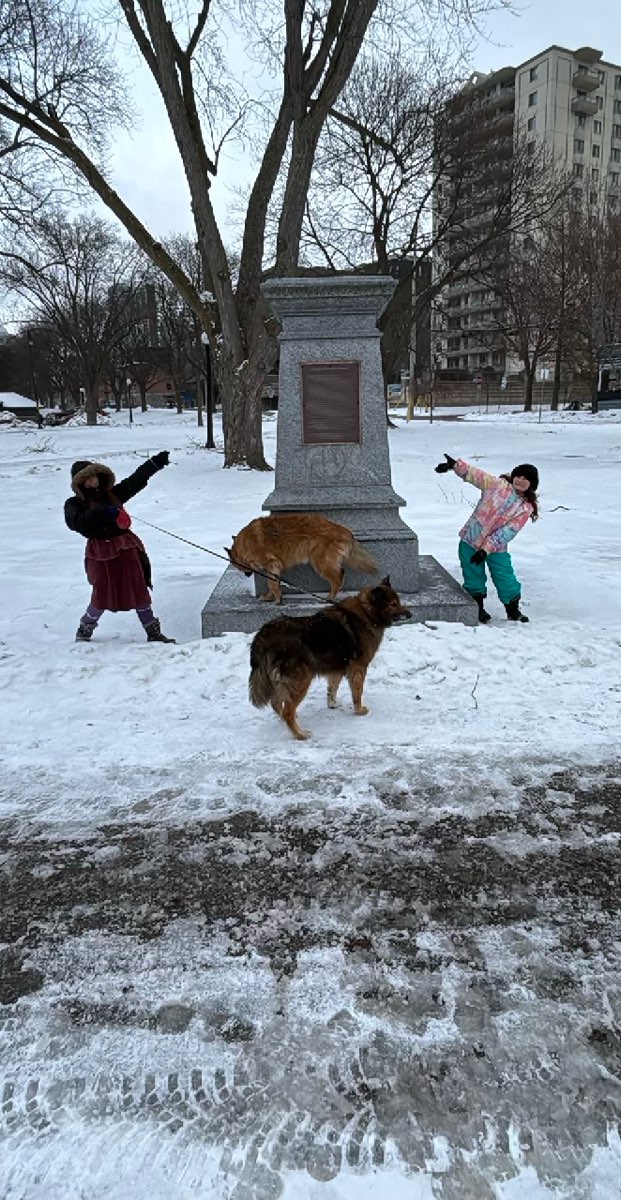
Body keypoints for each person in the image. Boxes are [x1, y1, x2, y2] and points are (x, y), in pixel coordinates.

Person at [64, 453, 175, 643]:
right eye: (86, 479)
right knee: (102, 592)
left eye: (93, 476)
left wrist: (153, 464)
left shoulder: (112, 494)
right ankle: (85, 629)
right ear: (79, 484)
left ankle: (153, 632)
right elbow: (78, 523)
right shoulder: (74, 504)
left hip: (125, 547)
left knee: (138, 587)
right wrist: (102, 512)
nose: (91, 481)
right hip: (100, 553)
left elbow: (135, 481)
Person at [434, 454, 539, 623]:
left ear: (532, 484)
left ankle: (513, 610)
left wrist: (486, 549)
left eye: (526, 479)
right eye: (518, 476)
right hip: (470, 540)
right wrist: (455, 466)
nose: (520, 480)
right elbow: (477, 475)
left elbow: (508, 532)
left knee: (505, 576)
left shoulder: (525, 508)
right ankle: (477, 608)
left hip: (497, 548)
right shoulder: (497, 485)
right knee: (473, 575)